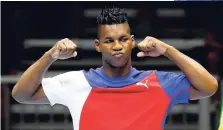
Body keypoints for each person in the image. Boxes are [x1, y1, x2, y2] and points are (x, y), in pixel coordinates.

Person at [12, 7, 218, 130]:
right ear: (98, 45)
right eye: (109, 40)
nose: (117, 46)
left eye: (123, 39)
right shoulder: (76, 82)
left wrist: (168, 50)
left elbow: (209, 86)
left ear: (132, 41)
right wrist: (50, 56)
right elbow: (21, 94)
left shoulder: (160, 82)